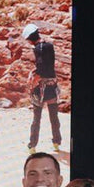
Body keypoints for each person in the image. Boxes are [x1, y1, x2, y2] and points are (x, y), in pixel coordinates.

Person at [23, 24, 62, 154]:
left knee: (36, 118)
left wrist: (33, 82)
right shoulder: (49, 45)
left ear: (31, 38)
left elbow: (41, 68)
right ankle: (57, 142)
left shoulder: (38, 48)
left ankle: (32, 146)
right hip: (52, 85)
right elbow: (49, 65)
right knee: (54, 116)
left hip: (41, 88)